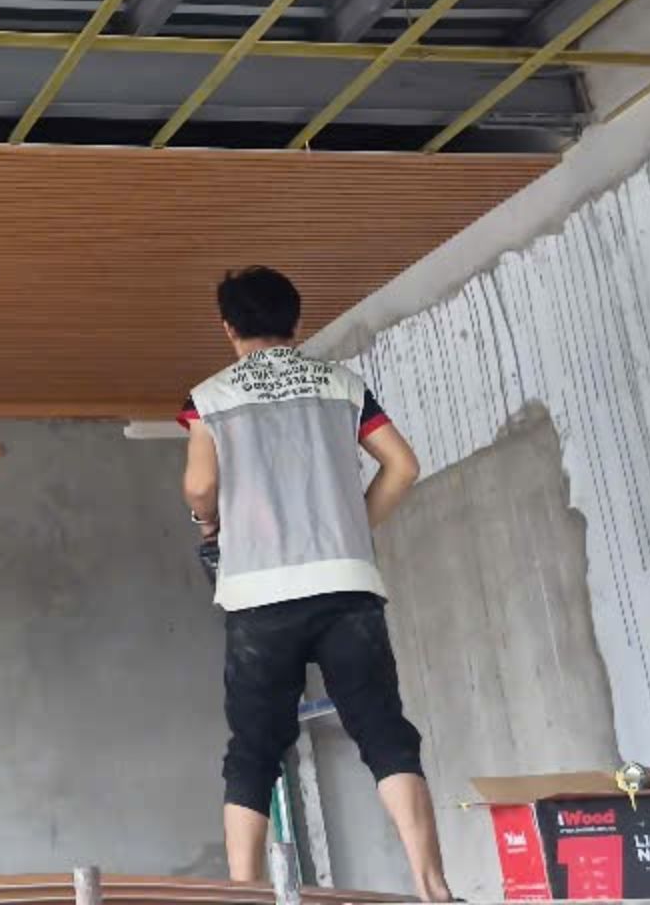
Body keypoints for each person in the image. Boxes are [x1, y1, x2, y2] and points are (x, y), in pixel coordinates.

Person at [178, 266, 449, 903]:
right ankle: (432, 886)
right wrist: (354, 527)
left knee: (254, 750)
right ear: (296, 322)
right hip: (346, 585)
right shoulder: (342, 384)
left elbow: (200, 486)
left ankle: (245, 894)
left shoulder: (210, 397)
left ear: (228, 327)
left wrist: (206, 521)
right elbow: (402, 466)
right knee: (384, 732)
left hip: (258, 593)